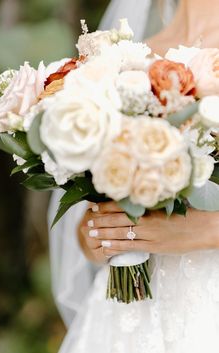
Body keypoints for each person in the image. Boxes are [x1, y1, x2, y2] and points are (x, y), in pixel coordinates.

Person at [58, 0, 219, 352]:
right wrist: (99, 235)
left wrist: (203, 229)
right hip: (129, 317)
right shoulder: (123, 59)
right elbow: (92, 208)